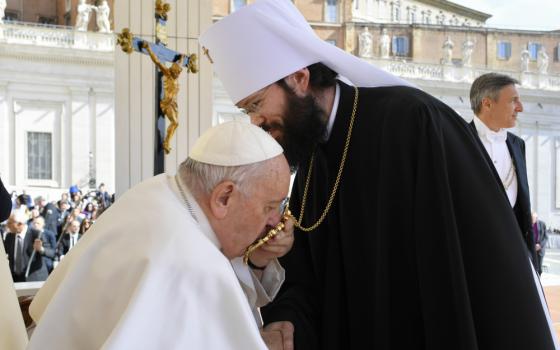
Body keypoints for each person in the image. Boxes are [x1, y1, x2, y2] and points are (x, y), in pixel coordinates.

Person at [199, 1, 559, 349]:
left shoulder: (413, 123)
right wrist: (285, 322)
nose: (254, 122)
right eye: (246, 110)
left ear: (299, 77)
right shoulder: (310, 152)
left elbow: (484, 264)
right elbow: (306, 277)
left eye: (256, 105)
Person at [28, 121, 293, 350]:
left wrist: (255, 257)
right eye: (269, 207)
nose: (275, 221)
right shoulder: (191, 263)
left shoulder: (156, 192)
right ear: (224, 197)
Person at [469, 73, 536, 266]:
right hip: (474, 259)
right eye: (513, 101)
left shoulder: (518, 145)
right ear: (487, 104)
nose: (520, 108)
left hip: (516, 257)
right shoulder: (457, 141)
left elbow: (523, 206)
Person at [3, 212, 48, 282]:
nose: (7, 226)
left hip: (33, 278)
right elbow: (4, 252)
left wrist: (41, 249)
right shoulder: (9, 236)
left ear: (19, 224)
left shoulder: (36, 234)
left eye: (10, 223)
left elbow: (51, 251)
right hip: (15, 279)